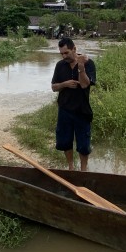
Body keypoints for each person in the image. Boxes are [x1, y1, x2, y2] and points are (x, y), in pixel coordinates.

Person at [51, 37, 96, 171]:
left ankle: (83, 170)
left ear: (74, 49)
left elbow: (84, 84)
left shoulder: (88, 63)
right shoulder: (60, 65)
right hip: (64, 109)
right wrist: (65, 84)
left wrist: (81, 68)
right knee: (65, 141)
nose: (64, 56)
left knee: (83, 144)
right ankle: (71, 167)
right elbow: (54, 87)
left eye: (66, 53)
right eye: (62, 53)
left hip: (82, 110)